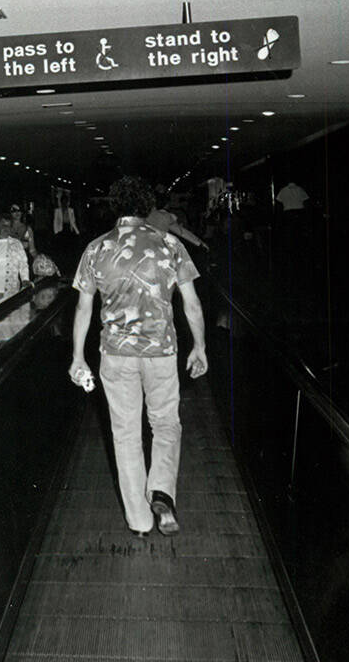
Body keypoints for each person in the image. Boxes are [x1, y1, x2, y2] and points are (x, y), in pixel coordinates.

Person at [69, 175, 208, 537]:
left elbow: (83, 309)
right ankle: (161, 489)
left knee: (126, 433)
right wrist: (200, 346)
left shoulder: (96, 248)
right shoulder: (169, 244)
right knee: (165, 423)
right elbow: (191, 303)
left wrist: (77, 357)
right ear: (146, 207)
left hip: (115, 354)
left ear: (114, 208)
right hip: (161, 351)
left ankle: (140, 521)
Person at [0, 213, 29, 301]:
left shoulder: (17, 243)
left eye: (9, 226)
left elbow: (23, 264)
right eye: (3, 225)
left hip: (11, 291)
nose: (6, 228)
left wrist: (25, 279)